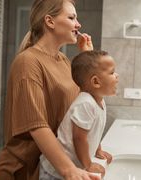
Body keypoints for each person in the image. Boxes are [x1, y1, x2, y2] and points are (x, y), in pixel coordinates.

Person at [0, 0, 99, 179]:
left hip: (52, 168)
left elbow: (86, 103)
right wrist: (69, 170)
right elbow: (37, 125)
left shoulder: (64, 61)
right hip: (26, 170)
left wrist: (87, 57)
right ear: (50, 21)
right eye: (72, 17)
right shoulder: (27, 61)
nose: (78, 24)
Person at [39, 50, 118, 180]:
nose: (117, 76)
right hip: (54, 172)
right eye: (112, 72)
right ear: (96, 82)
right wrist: (88, 164)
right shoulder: (85, 103)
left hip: (72, 168)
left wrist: (98, 150)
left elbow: (93, 132)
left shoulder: (100, 101)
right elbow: (79, 138)